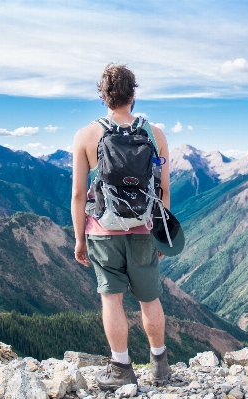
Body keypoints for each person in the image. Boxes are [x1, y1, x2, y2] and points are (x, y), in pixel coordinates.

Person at [71, 63, 171, 390]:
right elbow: (163, 190)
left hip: (101, 231)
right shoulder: (154, 134)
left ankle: (121, 369)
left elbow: (76, 194)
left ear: (103, 96)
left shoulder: (85, 135)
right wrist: (162, 234)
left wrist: (79, 240)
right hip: (144, 228)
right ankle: (159, 367)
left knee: (111, 300)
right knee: (149, 299)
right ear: (133, 92)